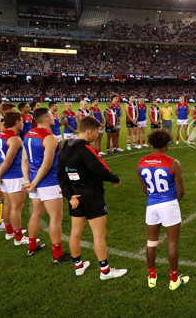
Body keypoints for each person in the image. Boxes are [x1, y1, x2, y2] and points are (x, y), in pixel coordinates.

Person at [57, 116, 126, 279]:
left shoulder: (65, 146)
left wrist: (69, 196)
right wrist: (114, 178)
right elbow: (100, 169)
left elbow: (60, 174)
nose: (97, 135)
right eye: (96, 132)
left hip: (75, 197)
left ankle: (78, 266)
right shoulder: (86, 149)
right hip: (92, 196)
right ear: (89, 131)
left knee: (75, 233)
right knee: (99, 235)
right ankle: (105, 271)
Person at [138, 130, 188, 290]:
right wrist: (172, 200)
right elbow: (181, 191)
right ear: (166, 145)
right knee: (172, 243)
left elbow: (144, 188)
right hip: (169, 204)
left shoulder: (141, 162)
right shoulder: (173, 163)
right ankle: (174, 280)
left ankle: (152, 277)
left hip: (151, 204)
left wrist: (155, 195)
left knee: (151, 242)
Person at [22, 108, 72, 263]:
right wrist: (34, 183)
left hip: (33, 180)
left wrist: (28, 181)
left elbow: (24, 160)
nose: (53, 118)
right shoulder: (50, 138)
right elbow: (47, 164)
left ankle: (32, 246)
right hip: (48, 181)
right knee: (56, 217)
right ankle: (57, 255)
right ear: (45, 119)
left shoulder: (28, 135)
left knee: (36, 214)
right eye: (50, 116)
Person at [0, 112, 29, 244]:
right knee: (16, 207)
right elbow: (8, 161)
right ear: (16, 122)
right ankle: (18, 238)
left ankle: (9, 232)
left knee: (8, 205)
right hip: (14, 175)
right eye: (21, 121)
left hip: (6, 175)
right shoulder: (15, 139)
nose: (23, 123)